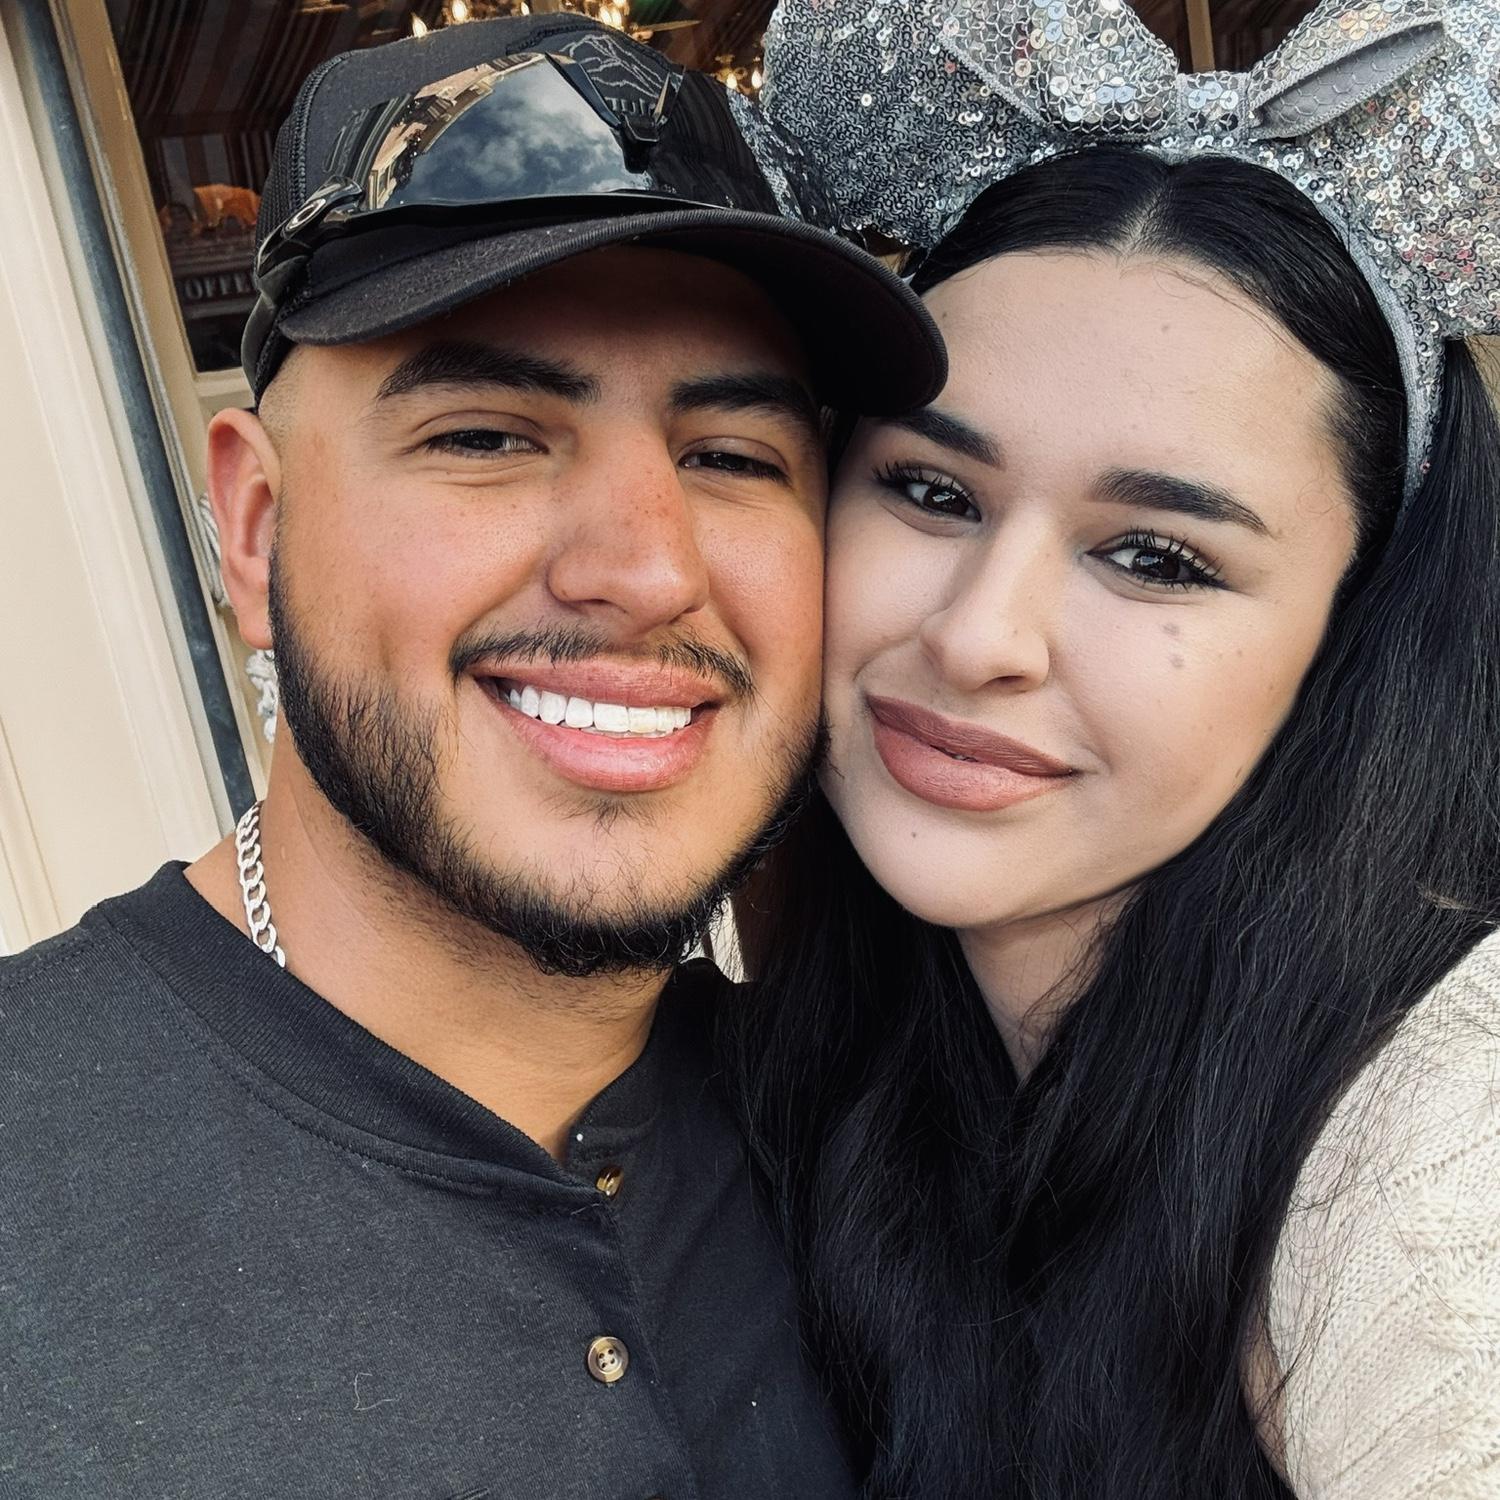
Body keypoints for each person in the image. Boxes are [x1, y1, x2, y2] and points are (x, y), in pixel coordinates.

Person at [0, 14, 946, 1496]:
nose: (647, 570)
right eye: (487, 437)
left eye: (732, 457)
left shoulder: (884, 1145)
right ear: (256, 533)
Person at [727, 0, 1500, 1496]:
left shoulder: (1437, 1141)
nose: (979, 637)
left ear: (1355, 632)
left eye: (1155, 556)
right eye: (932, 492)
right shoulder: (819, 1059)